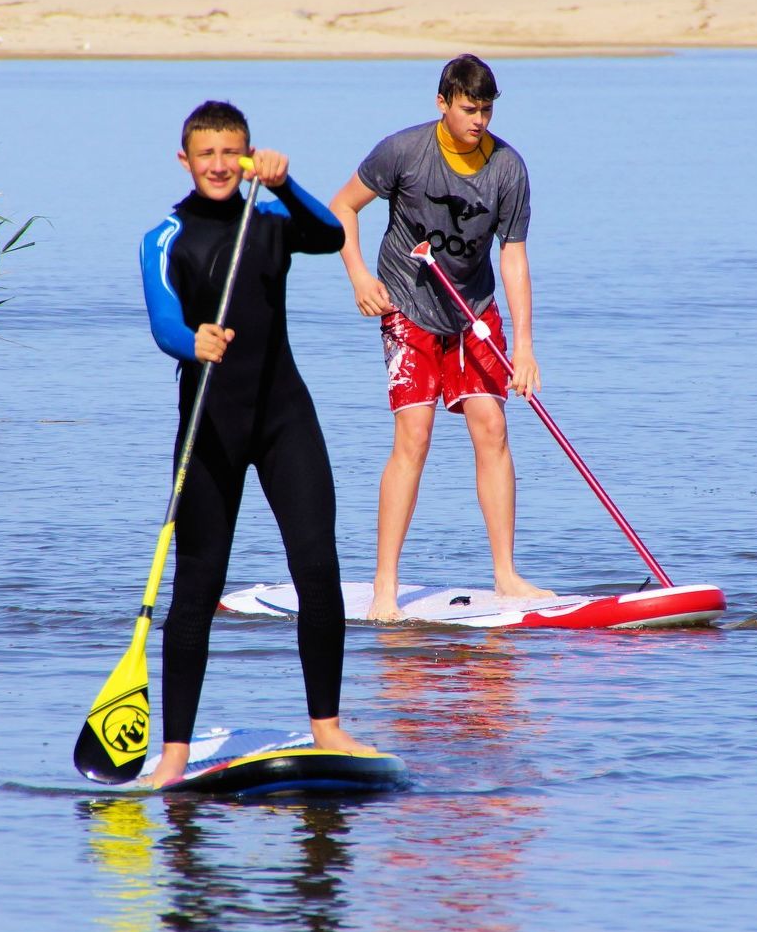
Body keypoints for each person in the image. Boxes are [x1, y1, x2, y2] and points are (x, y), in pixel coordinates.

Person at [137, 100, 375, 788]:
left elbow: (330, 236)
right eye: (205, 154)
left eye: (231, 154)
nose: (218, 165)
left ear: (247, 157)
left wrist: (283, 184)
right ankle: (176, 752)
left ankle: (328, 728)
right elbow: (163, 324)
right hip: (209, 424)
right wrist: (194, 341)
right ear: (184, 159)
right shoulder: (165, 236)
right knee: (197, 585)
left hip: (284, 419)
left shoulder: (268, 221)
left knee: (317, 565)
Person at [327, 54, 545, 621]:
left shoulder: (508, 168)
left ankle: (505, 573)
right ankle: (384, 587)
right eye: (469, 109)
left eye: (487, 110)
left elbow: (513, 255)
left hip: (472, 308)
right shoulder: (403, 152)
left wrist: (523, 345)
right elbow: (341, 208)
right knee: (415, 435)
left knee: (492, 426)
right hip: (408, 305)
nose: (479, 121)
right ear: (443, 102)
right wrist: (358, 276)